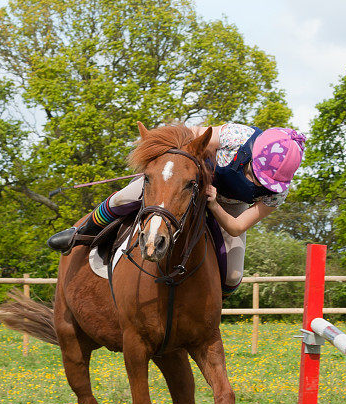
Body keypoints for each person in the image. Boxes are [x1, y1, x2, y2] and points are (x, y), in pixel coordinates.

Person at [47, 122, 306, 296]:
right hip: (184, 180)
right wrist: (175, 175)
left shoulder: (277, 193)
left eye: (263, 182)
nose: (255, 183)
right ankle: (81, 231)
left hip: (228, 205)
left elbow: (237, 226)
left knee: (233, 276)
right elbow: (187, 139)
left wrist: (213, 202)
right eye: (255, 174)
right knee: (121, 199)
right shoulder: (233, 137)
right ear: (252, 154)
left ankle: (203, 310)